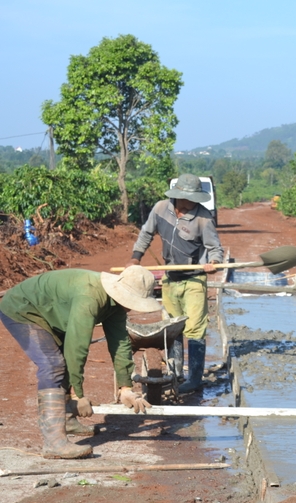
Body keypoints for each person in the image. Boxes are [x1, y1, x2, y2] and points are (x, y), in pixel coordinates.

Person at [0, 267, 161, 459]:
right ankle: (54, 443)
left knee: (63, 361)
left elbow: (120, 345)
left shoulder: (115, 306)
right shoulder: (90, 297)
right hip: (23, 309)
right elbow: (77, 346)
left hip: (53, 312)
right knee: (53, 365)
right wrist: (77, 395)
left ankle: (66, 420)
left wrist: (125, 388)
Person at [127, 173, 224, 394]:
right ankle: (175, 372)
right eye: (189, 198)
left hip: (194, 279)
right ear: (178, 196)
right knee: (171, 327)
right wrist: (135, 258)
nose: (193, 202)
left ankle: (195, 378)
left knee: (195, 329)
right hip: (171, 278)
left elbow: (214, 248)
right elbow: (146, 234)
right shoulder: (161, 209)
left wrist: (215, 262)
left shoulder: (203, 218)